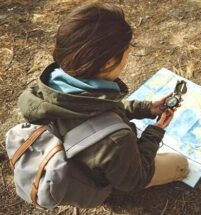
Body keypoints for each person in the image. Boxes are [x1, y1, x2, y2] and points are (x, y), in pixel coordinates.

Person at [18, 2, 189, 195]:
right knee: (181, 164)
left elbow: (99, 109)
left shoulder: (53, 85)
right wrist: (155, 132)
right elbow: (134, 180)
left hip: (73, 156)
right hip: (97, 178)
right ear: (108, 62)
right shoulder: (116, 140)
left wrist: (147, 108)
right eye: (126, 51)